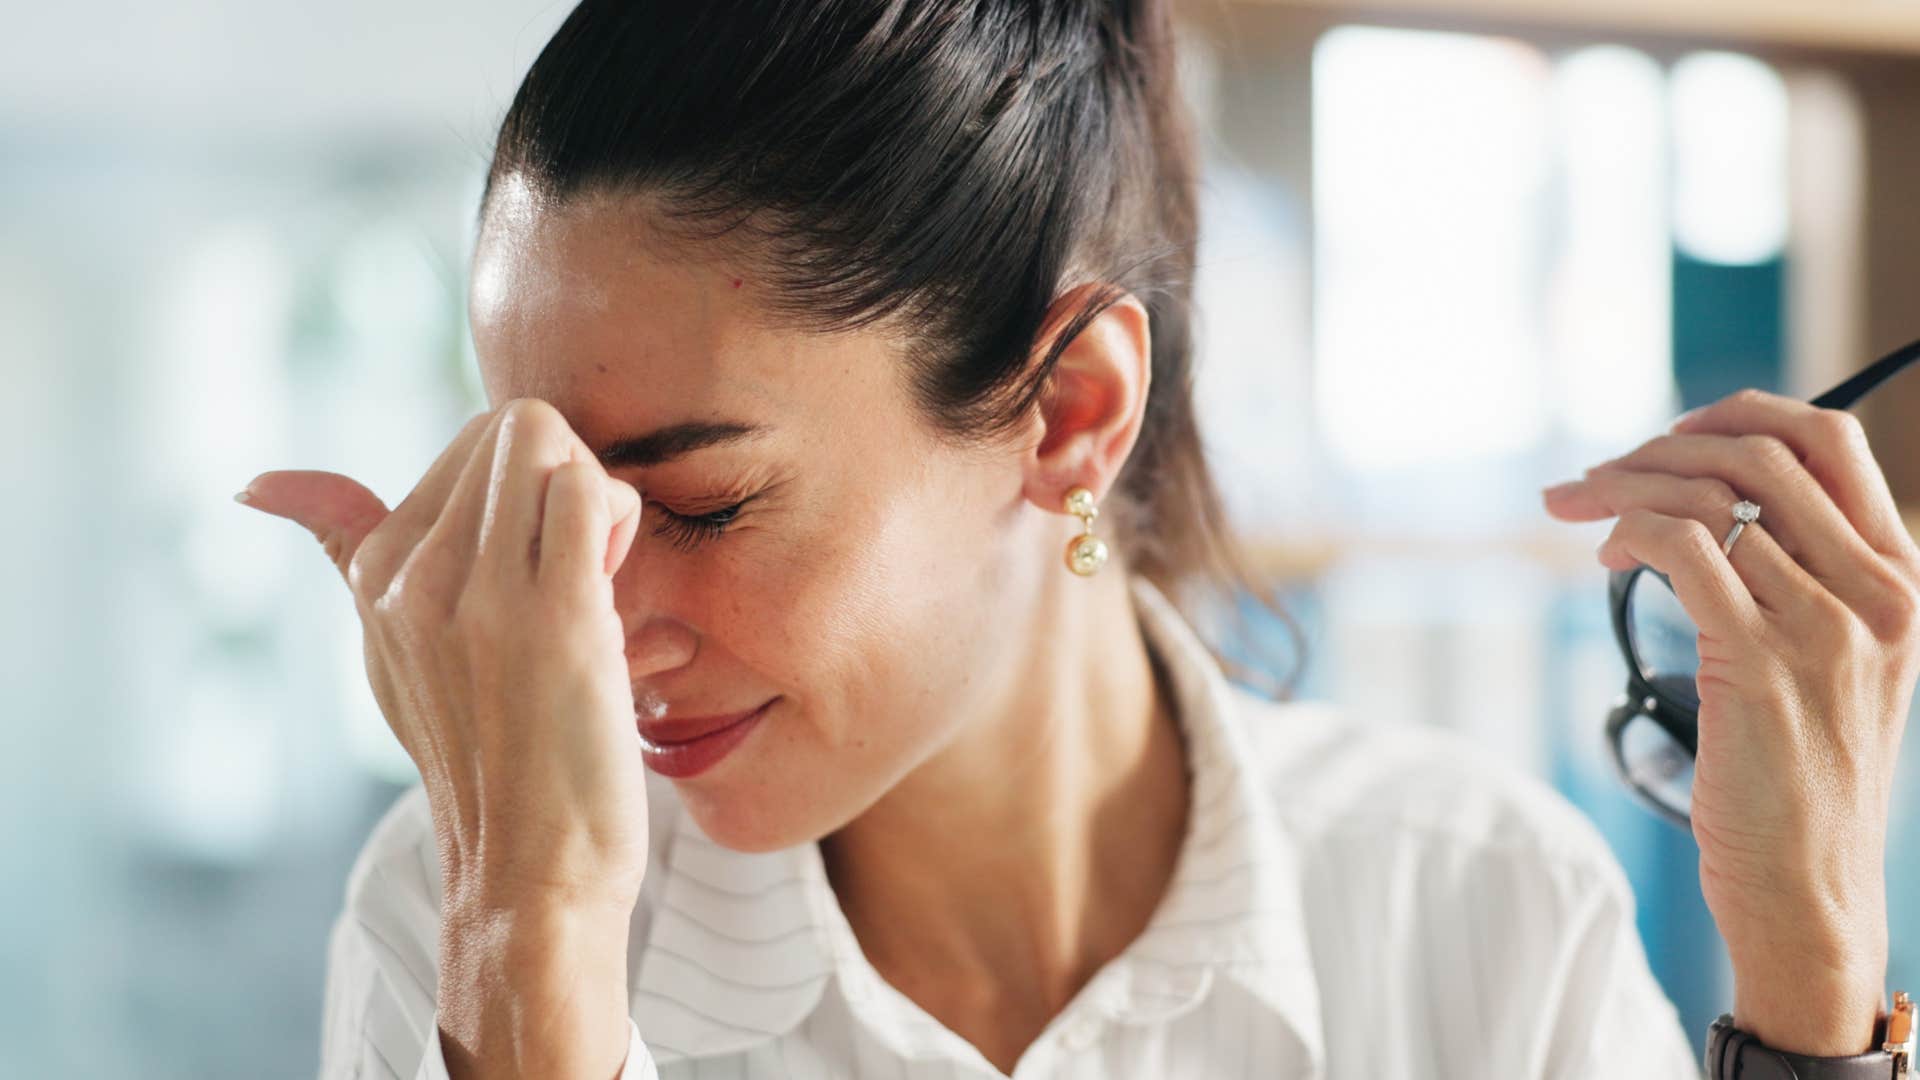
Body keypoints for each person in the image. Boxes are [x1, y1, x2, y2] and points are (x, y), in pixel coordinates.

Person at [236, 2, 1920, 1077]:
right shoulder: (466, 915)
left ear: (1068, 417)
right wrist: (530, 957)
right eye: (555, 509)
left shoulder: (1471, 909)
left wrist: (1815, 958)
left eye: (694, 504)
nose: (600, 631)